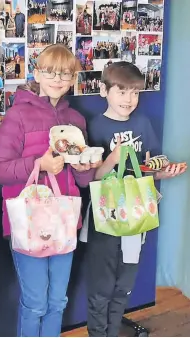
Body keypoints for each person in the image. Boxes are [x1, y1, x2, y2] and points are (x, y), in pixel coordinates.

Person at [0, 44, 98, 337]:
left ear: (74, 78)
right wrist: (40, 164)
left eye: (65, 73)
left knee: (57, 302)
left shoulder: (76, 120)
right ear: (37, 73)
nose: (58, 79)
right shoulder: (18, 116)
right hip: (29, 222)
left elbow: (83, 182)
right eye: (50, 72)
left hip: (64, 221)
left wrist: (86, 166)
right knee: (36, 302)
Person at [84, 61, 187, 337]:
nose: (129, 99)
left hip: (136, 215)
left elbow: (150, 169)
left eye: (135, 93)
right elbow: (92, 179)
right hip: (105, 219)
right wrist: (112, 158)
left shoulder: (143, 123)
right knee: (102, 285)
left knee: (124, 284)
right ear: (104, 91)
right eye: (122, 91)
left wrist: (166, 171)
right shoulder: (95, 126)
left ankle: (114, 331)